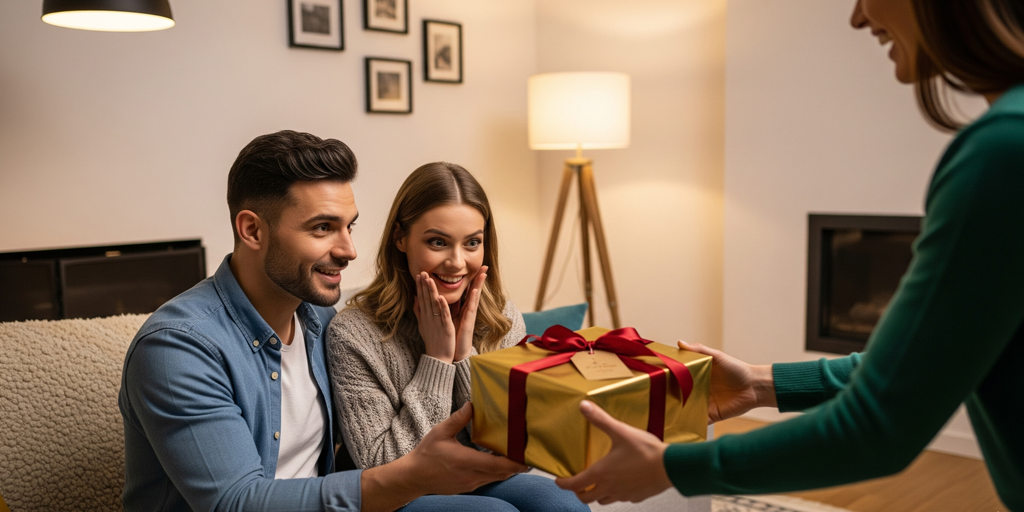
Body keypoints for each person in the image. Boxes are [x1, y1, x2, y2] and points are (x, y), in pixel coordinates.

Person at [555, 0, 1024, 509]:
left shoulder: (1002, 152)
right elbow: (922, 362)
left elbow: (877, 427)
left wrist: (673, 467)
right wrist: (761, 384)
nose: (858, 17)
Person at [118, 131, 526, 512]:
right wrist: (409, 475)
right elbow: (235, 503)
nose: (349, 250)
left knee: (550, 498)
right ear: (252, 230)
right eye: (323, 228)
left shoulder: (320, 320)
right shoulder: (177, 348)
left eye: (349, 226)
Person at [326, 162, 588, 512]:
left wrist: (465, 359)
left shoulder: (501, 317)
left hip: (480, 477)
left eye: (472, 243)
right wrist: (436, 361)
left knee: (563, 504)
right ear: (400, 238)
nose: (457, 262)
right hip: (397, 495)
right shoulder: (353, 334)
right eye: (438, 242)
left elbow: (508, 447)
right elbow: (381, 466)